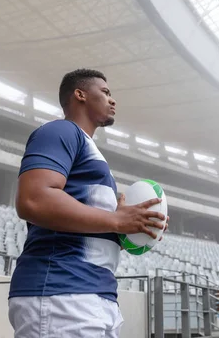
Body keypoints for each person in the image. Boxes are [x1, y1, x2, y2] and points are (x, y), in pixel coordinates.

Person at [9, 69, 167, 337]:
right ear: (80, 94)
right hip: (61, 291)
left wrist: (136, 226)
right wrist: (116, 220)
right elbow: (33, 200)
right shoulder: (60, 130)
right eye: (105, 92)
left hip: (96, 294)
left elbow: (93, 227)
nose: (112, 100)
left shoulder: (92, 153)